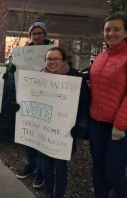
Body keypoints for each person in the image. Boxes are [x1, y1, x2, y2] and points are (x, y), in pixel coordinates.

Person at [89, 13, 127, 198]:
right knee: (98, 170)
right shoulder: (101, 57)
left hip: (123, 126)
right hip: (97, 122)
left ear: (126, 32)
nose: (111, 33)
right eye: (107, 29)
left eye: (116, 29)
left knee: (114, 173)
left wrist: (120, 124)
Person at [41, 47, 90, 198]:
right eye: (49, 59)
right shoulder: (39, 77)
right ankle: (49, 193)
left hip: (66, 130)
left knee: (60, 165)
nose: (52, 62)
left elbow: (85, 104)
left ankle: (59, 195)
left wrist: (81, 125)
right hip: (43, 129)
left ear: (63, 61)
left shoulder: (76, 78)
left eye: (56, 59)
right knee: (45, 164)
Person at [14, 20, 51, 188]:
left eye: (39, 33)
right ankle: (30, 164)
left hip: (47, 100)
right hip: (27, 99)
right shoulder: (23, 54)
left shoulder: (52, 51)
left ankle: (41, 171)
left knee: (42, 137)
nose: (36, 36)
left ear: (44, 35)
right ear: (30, 36)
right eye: (33, 33)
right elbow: (16, 75)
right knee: (29, 135)